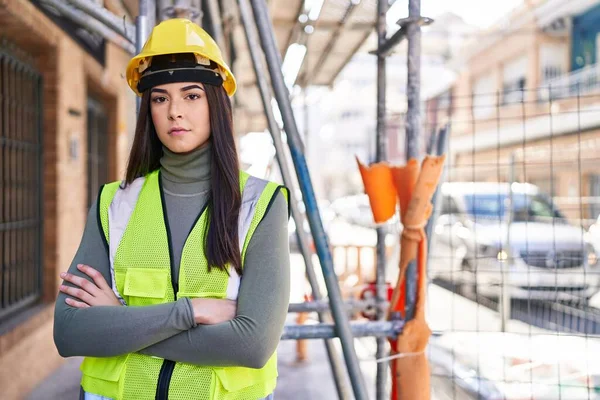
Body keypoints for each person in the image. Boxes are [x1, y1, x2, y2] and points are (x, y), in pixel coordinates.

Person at [53, 18, 290, 400]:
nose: (174, 111)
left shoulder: (261, 204)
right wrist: (191, 311)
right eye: (160, 98)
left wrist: (120, 321)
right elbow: (69, 332)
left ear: (216, 103)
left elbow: (253, 344)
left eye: (191, 95)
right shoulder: (113, 202)